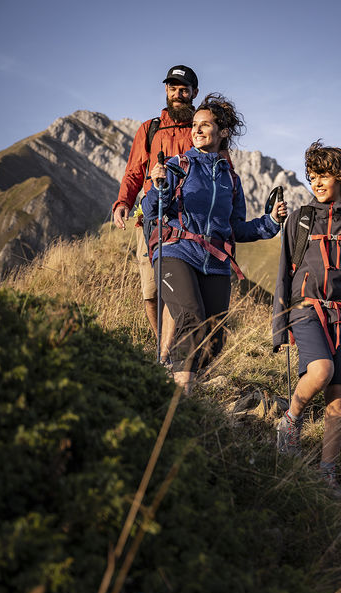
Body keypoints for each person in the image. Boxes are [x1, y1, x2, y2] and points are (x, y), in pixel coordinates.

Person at [143, 93, 286, 392]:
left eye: (204, 125)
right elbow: (151, 208)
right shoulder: (175, 164)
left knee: (216, 339)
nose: (196, 130)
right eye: (195, 124)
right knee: (190, 318)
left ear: (223, 132)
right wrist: (160, 186)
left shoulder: (230, 179)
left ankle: (172, 378)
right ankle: (180, 400)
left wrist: (270, 221)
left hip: (215, 262)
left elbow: (235, 228)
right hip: (175, 251)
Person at [272, 140, 341, 499]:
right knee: (320, 371)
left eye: (324, 175)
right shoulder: (300, 219)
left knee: (338, 396)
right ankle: (289, 422)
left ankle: (326, 474)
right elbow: (283, 272)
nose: (317, 182)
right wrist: (279, 326)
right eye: (313, 176)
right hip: (305, 308)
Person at [112, 65, 199, 364]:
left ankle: (165, 357)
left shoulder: (201, 128)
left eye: (184, 89)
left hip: (184, 220)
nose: (178, 93)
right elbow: (135, 169)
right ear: (166, 91)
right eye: (173, 87)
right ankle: (165, 346)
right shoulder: (150, 129)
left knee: (173, 287)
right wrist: (123, 201)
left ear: (193, 93)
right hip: (149, 217)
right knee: (151, 292)